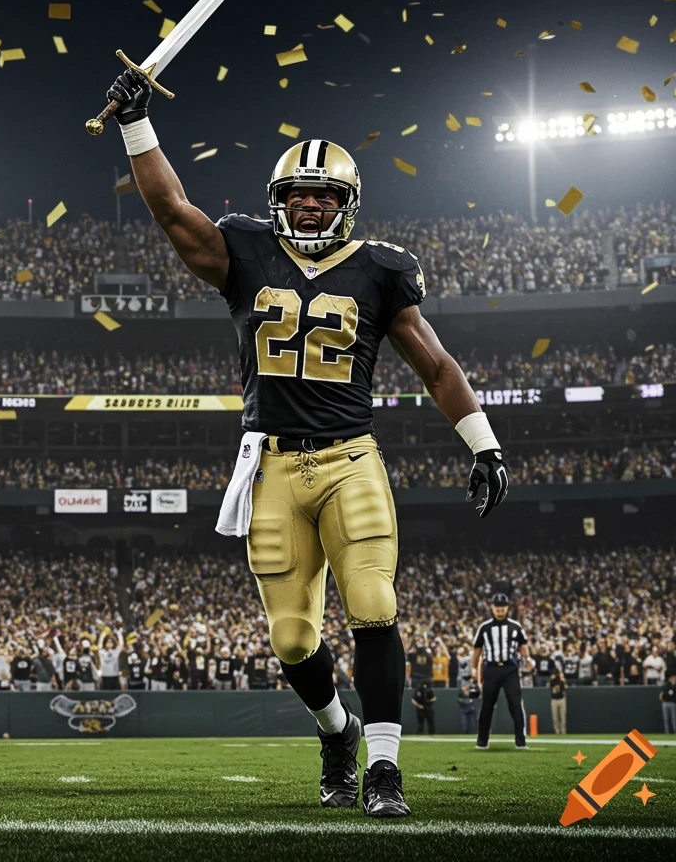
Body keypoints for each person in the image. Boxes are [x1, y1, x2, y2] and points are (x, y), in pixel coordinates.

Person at [105, 68, 509, 818]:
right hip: (272, 465)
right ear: (278, 201)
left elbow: (436, 364)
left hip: (350, 456)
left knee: (373, 602)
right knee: (292, 639)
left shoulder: (382, 269)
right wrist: (138, 125)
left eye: (324, 194)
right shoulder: (243, 253)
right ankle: (337, 731)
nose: (311, 203)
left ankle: (384, 770)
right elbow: (169, 209)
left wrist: (482, 444)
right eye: (298, 194)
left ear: (347, 203)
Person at [470, 593, 531, 749]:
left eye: (502, 607)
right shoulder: (484, 627)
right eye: (497, 607)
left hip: (510, 669)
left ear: (507, 608)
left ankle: (521, 741)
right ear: (492, 608)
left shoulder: (515, 626)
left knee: (516, 704)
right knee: (487, 705)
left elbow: (524, 648)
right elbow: (477, 650)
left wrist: (528, 660)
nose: (500, 610)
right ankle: (482, 741)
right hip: (490, 669)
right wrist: (473, 668)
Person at [549, 670, 568, 734]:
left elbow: (566, 687)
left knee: (563, 715)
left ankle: (563, 730)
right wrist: (551, 679)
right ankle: (557, 730)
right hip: (554, 699)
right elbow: (548, 685)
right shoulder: (552, 681)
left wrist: (564, 680)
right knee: (555, 716)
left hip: (561, 699)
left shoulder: (561, 681)